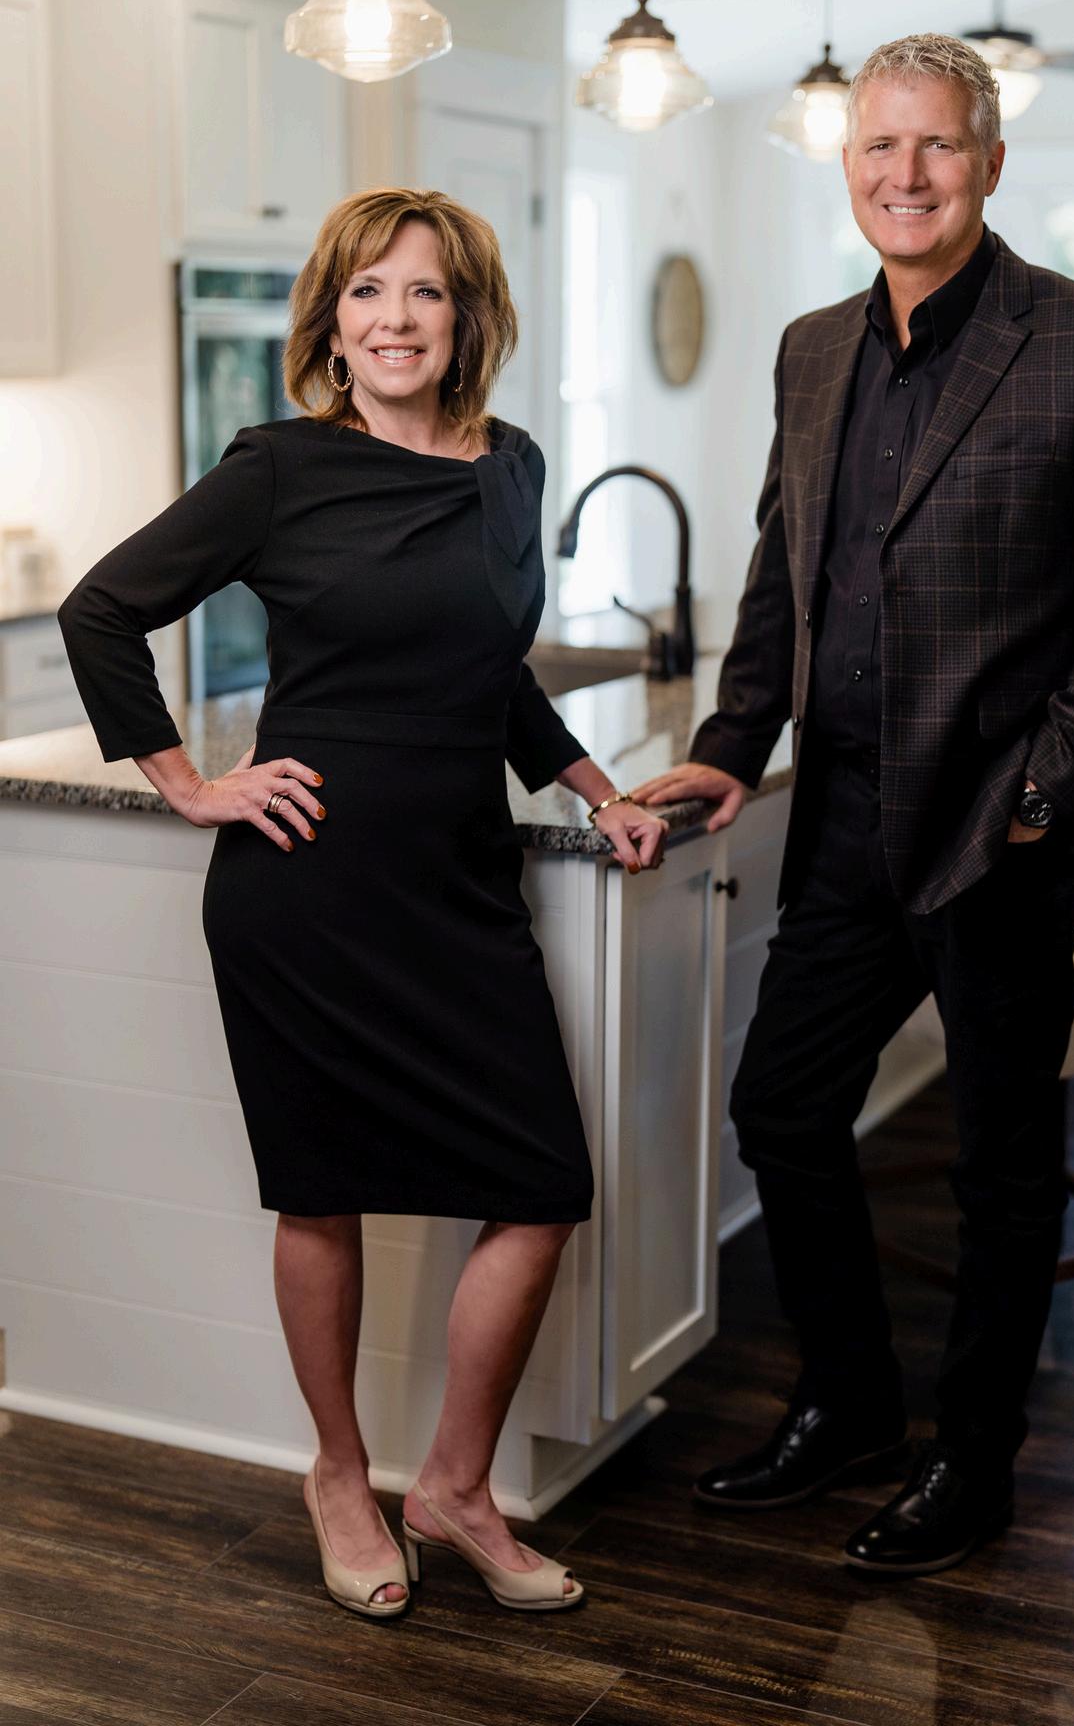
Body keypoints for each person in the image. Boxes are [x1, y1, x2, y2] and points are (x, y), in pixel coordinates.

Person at [633, 33, 1074, 1576]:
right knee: (783, 1107)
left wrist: (1042, 795)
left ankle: (976, 1462)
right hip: (844, 820)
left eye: (937, 145)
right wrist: (732, 744)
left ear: (990, 162)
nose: (906, 174)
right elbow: (785, 573)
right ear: (848, 166)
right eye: (879, 147)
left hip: (999, 830)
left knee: (1000, 1162)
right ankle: (852, 1405)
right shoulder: (812, 350)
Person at [58, 186, 668, 1620]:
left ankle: (452, 1487)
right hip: (309, 892)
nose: (397, 319)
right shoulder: (279, 468)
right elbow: (101, 610)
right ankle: (339, 1473)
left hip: (459, 883)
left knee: (540, 1188)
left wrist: (598, 791)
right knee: (319, 1192)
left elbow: (493, 675)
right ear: (332, 324)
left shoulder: (511, 468)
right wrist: (189, 785)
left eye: (426, 291)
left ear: (469, 318)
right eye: (369, 292)